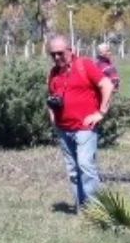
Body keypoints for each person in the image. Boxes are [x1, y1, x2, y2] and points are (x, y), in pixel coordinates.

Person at [46, 34, 114, 211]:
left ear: (70, 50)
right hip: (63, 128)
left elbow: (107, 85)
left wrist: (101, 112)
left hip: (85, 127)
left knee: (85, 165)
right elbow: (51, 96)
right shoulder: (54, 72)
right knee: (73, 170)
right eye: (52, 54)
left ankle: (97, 210)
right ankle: (82, 208)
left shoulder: (85, 65)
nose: (56, 57)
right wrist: (52, 115)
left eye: (60, 53)